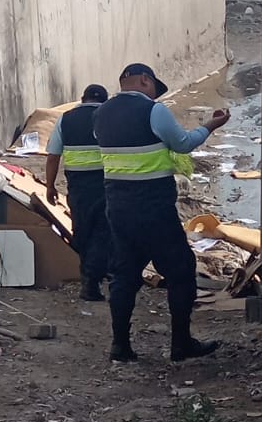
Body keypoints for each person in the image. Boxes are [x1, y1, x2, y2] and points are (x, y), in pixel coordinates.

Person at [93, 63, 230, 364]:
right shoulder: (153, 111)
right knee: (181, 271)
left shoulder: (101, 114)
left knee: (124, 276)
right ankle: (181, 344)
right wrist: (210, 125)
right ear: (144, 80)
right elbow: (182, 144)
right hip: (153, 208)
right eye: (154, 87)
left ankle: (120, 346)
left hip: (118, 207)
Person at [45, 85, 111, 302]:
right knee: (104, 232)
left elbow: (53, 156)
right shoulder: (109, 117)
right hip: (105, 184)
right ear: (104, 100)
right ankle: (94, 280)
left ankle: (88, 276)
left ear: (82, 99)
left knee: (82, 230)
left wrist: (50, 186)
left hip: (78, 187)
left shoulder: (66, 119)